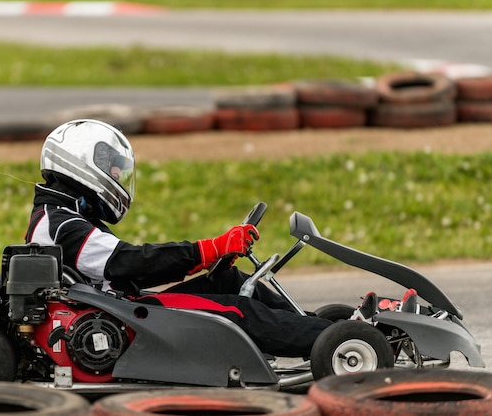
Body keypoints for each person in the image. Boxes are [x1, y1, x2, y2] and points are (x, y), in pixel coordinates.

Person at [25, 119, 332, 358]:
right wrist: (207, 249)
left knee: (230, 281)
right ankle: (339, 342)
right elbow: (130, 263)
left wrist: (207, 259)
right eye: (113, 169)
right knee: (238, 312)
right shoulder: (59, 224)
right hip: (120, 318)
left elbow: (129, 268)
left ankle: (324, 329)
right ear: (79, 162)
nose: (118, 177)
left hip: (119, 308)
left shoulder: (63, 216)